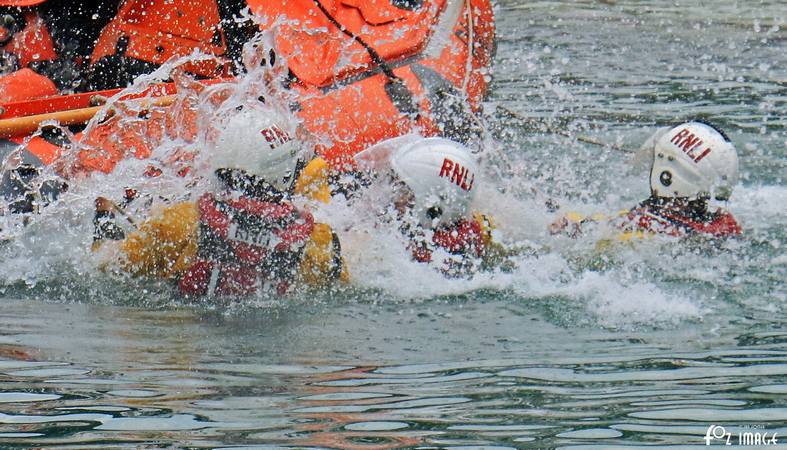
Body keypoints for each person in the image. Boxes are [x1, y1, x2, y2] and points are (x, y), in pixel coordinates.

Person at [92, 107, 347, 297]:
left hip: (190, 348)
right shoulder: (320, 242)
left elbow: (107, 269)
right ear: (285, 171)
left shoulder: (178, 223)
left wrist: (103, 221)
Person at [549, 120, 742, 240]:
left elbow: (593, 236)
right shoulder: (724, 224)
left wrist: (566, 223)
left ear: (667, 175)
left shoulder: (642, 231)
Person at [355, 135, 512, 276]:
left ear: (431, 207)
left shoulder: (397, 251)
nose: (392, 196)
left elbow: (355, 250)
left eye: (401, 189)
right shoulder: (479, 229)